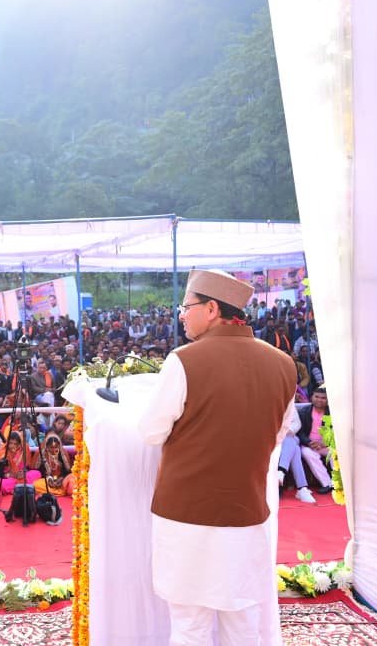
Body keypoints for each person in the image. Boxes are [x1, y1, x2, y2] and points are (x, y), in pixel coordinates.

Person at [138, 269, 297, 645]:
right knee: (242, 624)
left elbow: (150, 431)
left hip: (185, 517)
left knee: (189, 626)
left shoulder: (184, 360)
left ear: (212, 309)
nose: (181, 315)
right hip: (245, 515)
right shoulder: (283, 364)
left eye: (186, 307)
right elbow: (279, 433)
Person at [296, 386, 334, 493]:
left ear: (328, 400)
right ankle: (327, 484)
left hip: (326, 444)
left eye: (323, 398)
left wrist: (324, 443)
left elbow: (337, 431)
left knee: (335, 453)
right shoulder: (304, 412)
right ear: (312, 397)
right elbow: (300, 432)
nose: (319, 400)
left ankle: (339, 484)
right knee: (307, 453)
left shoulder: (333, 412)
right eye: (317, 397)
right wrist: (309, 443)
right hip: (310, 444)